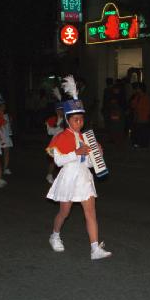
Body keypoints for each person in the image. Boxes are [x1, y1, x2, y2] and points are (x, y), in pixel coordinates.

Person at [46, 76, 112, 260]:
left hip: (84, 177)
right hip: (68, 177)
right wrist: (77, 152)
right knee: (64, 212)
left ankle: (94, 248)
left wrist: (97, 154)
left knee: (90, 212)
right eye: (75, 120)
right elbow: (58, 161)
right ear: (68, 120)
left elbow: (89, 163)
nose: (79, 123)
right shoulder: (60, 137)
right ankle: (55, 235)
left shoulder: (87, 137)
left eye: (81, 119)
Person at [45, 87, 64, 184]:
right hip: (54, 142)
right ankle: (49, 175)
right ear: (56, 110)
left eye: (62, 109)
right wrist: (58, 127)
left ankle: (61, 178)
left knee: (64, 161)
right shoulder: (51, 119)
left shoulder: (67, 120)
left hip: (64, 142)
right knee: (53, 160)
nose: (61, 111)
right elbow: (49, 132)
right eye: (59, 110)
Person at [0, 89, 13, 176]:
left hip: (6, 135)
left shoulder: (7, 115)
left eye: (4, 105)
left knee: (6, 152)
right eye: (1, 105)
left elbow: (9, 126)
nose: (3, 107)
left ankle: (5, 168)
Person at [130, 82, 150, 148]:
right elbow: (133, 105)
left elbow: (147, 108)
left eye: (137, 89)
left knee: (143, 131)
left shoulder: (145, 97)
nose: (136, 90)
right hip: (137, 117)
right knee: (138, 131)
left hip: (143, 117)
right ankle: (138, 144)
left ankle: (144, 144)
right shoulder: (137, 97)